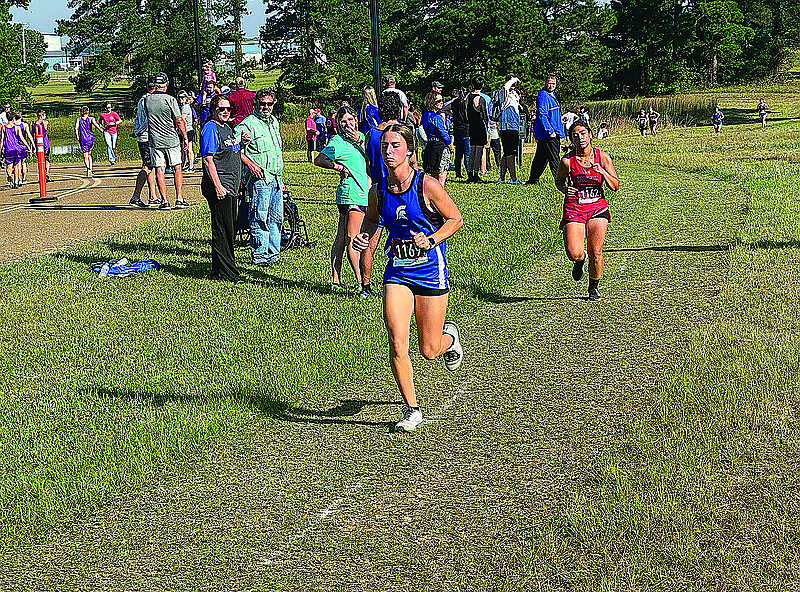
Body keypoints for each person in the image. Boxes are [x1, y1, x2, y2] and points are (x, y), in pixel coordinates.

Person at [352, 124, 464, 432]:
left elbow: (456, 219)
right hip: (397, 272)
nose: (388, 151)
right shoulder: (378, 191)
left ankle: (449, 338)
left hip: (429, 270)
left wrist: (432, 240)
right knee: (397, 341)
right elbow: (373, 220)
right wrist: (364, 239)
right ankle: (412, 409)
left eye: (395, 146)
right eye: (385, 146)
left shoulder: (426, 185)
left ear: (409, 152)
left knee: (429, 350)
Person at [554, 120, 619, 301]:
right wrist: (565, 189)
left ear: (590, 135)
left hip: (597, 208)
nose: (580, 137)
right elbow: (559, 181)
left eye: (583, 133)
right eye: (575, 135)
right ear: (571, 139)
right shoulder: (567, 161)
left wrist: (602, 172)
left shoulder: (603, 157)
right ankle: (580, 261)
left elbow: (615, 186)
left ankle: (593, 287)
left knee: (596, 252)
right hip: (575, 207)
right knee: (574, 252)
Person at [314, 104, 369, 292]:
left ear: (356, 119)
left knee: (341, 238)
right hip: (352, 194)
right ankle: (361, 281)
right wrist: (339, 167)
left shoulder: (361, 138)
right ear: (338, 124)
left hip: (359, 193)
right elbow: (319, 159)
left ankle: (336, 280)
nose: (348, 124)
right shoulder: (337, 142)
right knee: (352, 238)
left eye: (351, 120)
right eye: (343, 122)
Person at [236, 88, 285, 267]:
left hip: (276, 178)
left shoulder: (274, 122)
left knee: (276, 218)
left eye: (269, 104)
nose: (266, 107)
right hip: (259, 178)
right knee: (259, 217)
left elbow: (276, 152)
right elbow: (235, 149)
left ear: (273, 104)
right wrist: (250, 165)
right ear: (256, 104)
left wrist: (281, 178)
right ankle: (260, 255)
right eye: (262, 103)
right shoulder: (247, 124)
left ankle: (273, 254)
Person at [361, 92, 402, 299]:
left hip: (376, 188)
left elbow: (368, 163)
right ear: (399, 109)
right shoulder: (400, 133)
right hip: (397, 190)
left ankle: (364, 285)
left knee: (369, 238)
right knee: (401, 236)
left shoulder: (371, 134)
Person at [200, 94, 243, 283]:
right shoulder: (210, 128)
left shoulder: (227, 127)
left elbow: (231, 151)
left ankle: (220, 270)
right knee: (223, 230)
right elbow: (208, 159)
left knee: (229, 228)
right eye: (221, 109)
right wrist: (218, 186)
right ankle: (227, 273)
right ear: (213, 111)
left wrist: (243, 143)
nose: (226, 112)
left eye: (228, 109)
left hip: (231, 186)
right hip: (220, 186)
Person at [145, 72, 188, 209]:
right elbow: (179, 120)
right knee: (177, 168)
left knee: (159, 169)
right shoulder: (170, 100)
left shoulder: (147, 100)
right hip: (171, 139)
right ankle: (179, 198)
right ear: (166, 84)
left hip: (155, 140)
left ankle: (164, 200)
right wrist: (185, 137)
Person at [526, 75, 565, 184]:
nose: (551, 85)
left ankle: (533, 179)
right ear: (545, 83)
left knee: (541, 158)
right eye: (549, 83)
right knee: (554, 158)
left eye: (553, 84)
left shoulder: (552, 95)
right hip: (548, 134)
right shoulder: (543, 96)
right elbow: (542, 114)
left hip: (554, 131)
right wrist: (550, 131)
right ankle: (560, 181)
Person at [130, 78, 159, 208]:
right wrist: (137, 132)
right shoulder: (148, 101)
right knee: (147, 166)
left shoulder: (142, 100)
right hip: (146, 137)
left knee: (151, 166)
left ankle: (153, 196)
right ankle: (136, 196)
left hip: (145, 136)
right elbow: (148, 121)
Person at [421, 92, 454, 188]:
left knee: (431, 173)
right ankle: (440, 194)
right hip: (440, 145)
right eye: (439, 101)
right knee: (442, 173)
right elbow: (443, 133)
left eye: (442, 100)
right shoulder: (437, 117)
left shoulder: (425, 116)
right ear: (432, 102)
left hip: (430, 144)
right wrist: (450, 145)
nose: (442, 103)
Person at [494, 75, 522, 184]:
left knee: (506, 153)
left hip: (513, 126)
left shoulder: (514, 94)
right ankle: (513, 178)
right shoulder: (503, 92)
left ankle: (502, 177)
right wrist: (514, 80)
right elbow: (506, 88)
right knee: (510, 153)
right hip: (507, 127)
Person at [466, 76, 489, 182]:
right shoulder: (481, 99)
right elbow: (485, 115)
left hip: (471, 126)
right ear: (482, 85)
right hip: (479, 126)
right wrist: (487, 125)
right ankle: (475, 173)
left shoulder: (468, 98)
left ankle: (470, 173)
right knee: (479, 150)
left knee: (472, 150)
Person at [1, 112, 29, 188]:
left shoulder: (4, 127)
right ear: (13, 118)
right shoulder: (17, 127)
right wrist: (27, 146)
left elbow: (1, 140)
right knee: (17, 165)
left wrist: (0, 150)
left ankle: (9, 175)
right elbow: (22, 138)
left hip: (8, 148)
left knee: (9, 166)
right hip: (16, 149)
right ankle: (16, 182)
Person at [75, 106, 103, 178]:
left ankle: (88, 168)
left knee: (85, 155)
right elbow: (97, 126)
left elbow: (76, 128)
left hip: (83, 139)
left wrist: (78, 137)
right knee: (89, 154)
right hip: (91, 138)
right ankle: (91, 168)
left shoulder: (79, 119)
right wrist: (103, 131)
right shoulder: (91, 119)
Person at [448, 87, 470, 180]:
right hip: (466, 130)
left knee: (459, 153)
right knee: (467, 153)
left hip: (457, 129)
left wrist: (452, 115)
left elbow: (445, 109)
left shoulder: (455, 103)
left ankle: (458, 172)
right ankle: (470, 173)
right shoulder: (467, 103)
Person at [98, 101, 122, 165]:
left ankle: (113, 156)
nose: (108, 109)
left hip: (114, 131)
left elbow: (120, 121)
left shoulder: (114, 114)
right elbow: (100, 122)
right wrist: (101, 127)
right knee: (109, 145)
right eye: (107, 107)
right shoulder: (102, 114)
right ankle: (112, 159)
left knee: (113, 146)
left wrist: (113, 123)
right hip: (106, 131)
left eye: (109, 107)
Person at [178, 91, 196, 172]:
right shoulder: (182, 107)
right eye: (179, 97)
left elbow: (182, 119)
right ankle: (184, 165)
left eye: (183, 97)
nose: (181, 99)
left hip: (188, 130)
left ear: (186, 98)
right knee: (183, 149)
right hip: (183, 131)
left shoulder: (185, 107)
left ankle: (191, 166)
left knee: (189, 149)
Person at [32, 110, 51, 182]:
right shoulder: (44, 123)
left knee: (42, 159)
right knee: (45, 159)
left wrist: (33, 145)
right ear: (41, 116)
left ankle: (44, 174)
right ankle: (46, 173)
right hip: (44, 142)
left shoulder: (34, 124)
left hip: (39, 143)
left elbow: (33, 135)